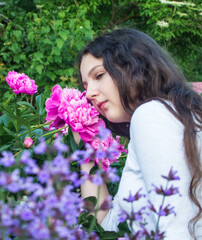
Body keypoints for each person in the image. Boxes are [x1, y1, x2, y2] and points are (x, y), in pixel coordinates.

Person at [77, 28, 202, 240]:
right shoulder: (170, 114)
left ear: (133, 65)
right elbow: (109, 225)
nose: (89, 94)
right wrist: (85, 147)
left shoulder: (151, 114)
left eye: (99, 75)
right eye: (85, 86)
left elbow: (176, 229)